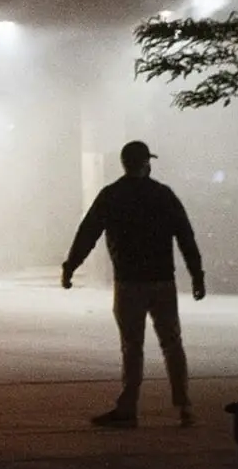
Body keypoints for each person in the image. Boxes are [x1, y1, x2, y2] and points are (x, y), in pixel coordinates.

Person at [64, 139, 206, 427]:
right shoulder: (163, 195)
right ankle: (184, 407)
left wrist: (70, 266)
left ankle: (128, 407)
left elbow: (87, 232)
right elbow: (185, 236)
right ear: (145, 163)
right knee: (172, 343)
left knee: (132, 346)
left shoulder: (111, 195)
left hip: (129, 283)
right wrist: (197, 274)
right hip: (162, 281)